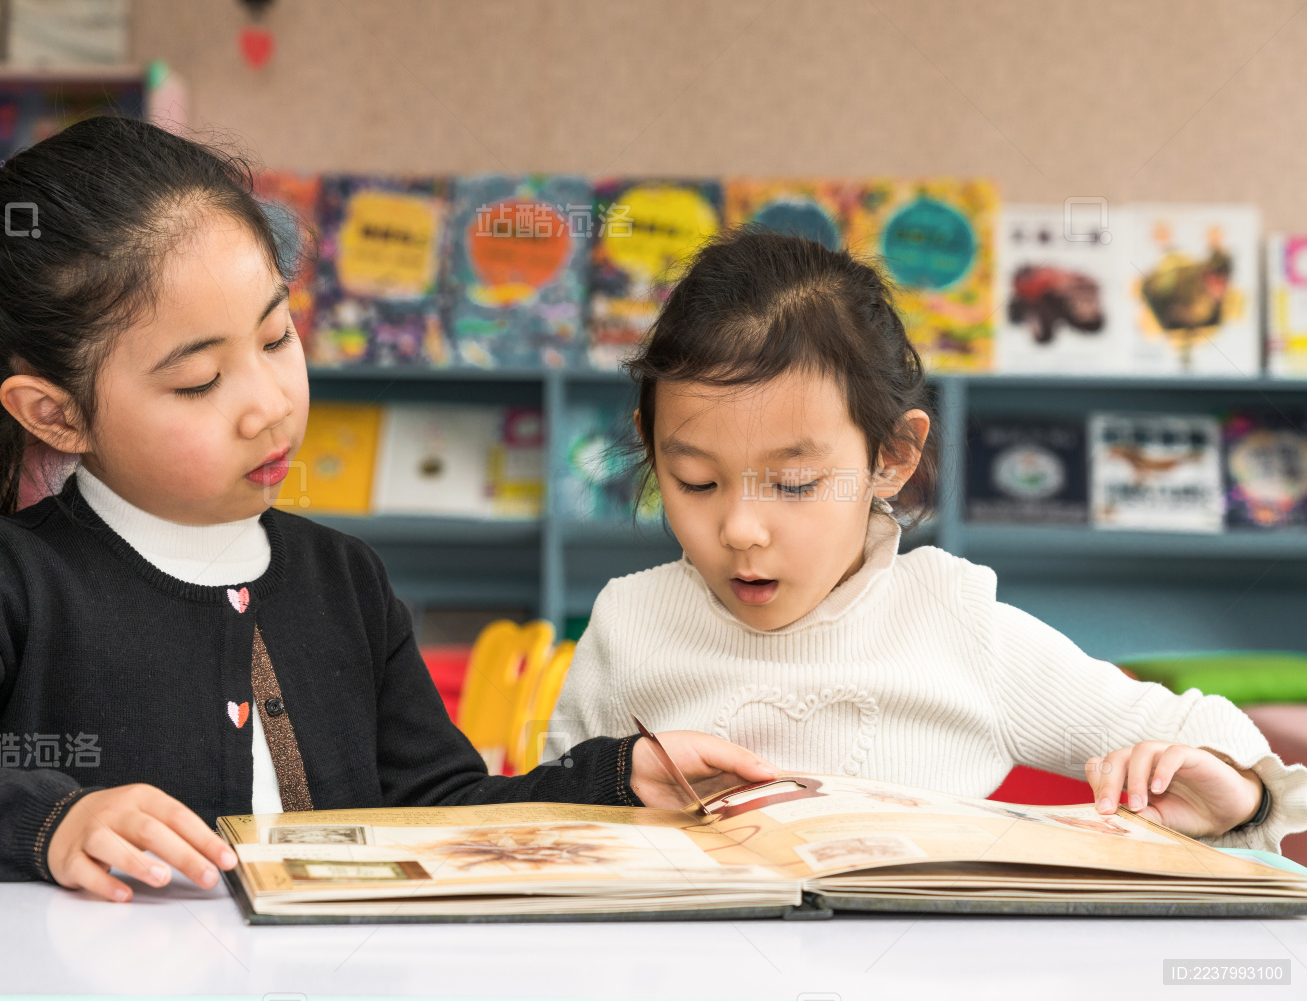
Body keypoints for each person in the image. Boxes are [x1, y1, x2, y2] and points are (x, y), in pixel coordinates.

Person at [0, 117, 775, 903]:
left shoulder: (340, 577)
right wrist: (51, 821)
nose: (270, 400)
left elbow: (435, 804)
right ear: (55, 413)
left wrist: (611, 780)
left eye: (278, 336)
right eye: (198, 382)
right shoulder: (1, 577)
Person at [553, 227, 1307, 853]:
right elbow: (537, 820)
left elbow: (1205, 732)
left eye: (793, 485)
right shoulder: (628, 623)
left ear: (891, 456)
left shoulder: (953, 619)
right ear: (651, 447)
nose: (741, 530)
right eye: (696, 481)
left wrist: (1231, 793)